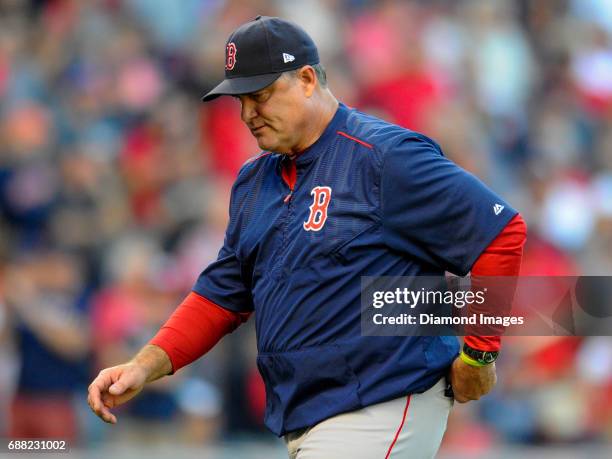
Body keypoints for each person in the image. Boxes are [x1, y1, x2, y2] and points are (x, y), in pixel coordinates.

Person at [88, 16, 527, 458]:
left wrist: (480, 354)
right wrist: (143, 365)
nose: (248, 114)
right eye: (240, 101)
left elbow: (501, 232)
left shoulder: (384, 157)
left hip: (383, 400)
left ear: (306, 79)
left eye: (260, 96)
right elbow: (221, 295)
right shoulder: (254, 181)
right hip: (310, 415)